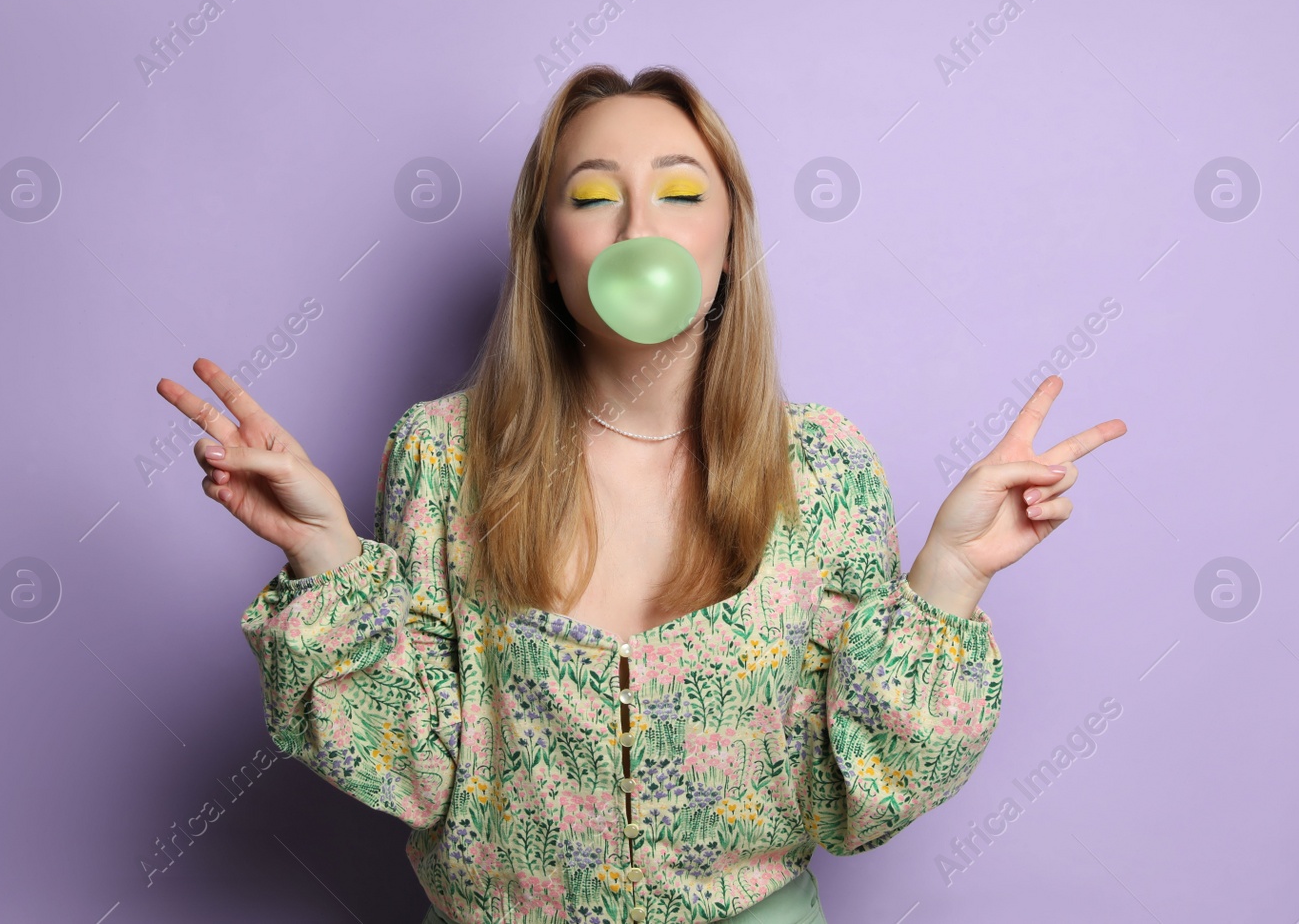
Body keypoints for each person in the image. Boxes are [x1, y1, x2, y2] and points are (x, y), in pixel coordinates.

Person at [155, 64, 1126, 923]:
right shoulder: (441, 455)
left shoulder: (821, 468)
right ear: (542, 248)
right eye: (591, 196)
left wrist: (949, 574)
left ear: (729, 236)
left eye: (677, 190)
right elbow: (408, 765)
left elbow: (856, 794)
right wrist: (325, 555)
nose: (639, 228)